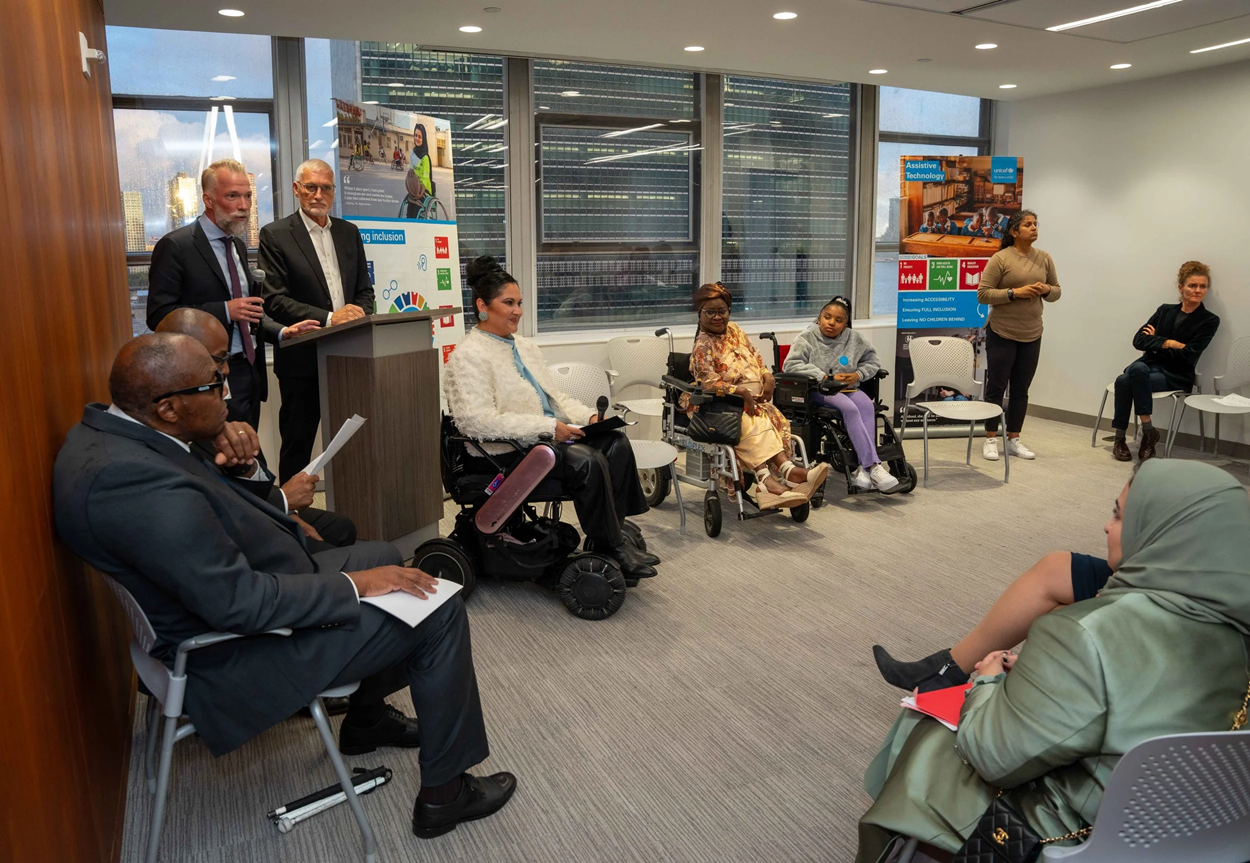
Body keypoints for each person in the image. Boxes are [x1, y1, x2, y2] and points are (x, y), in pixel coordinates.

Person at [53, 333, 517, 838]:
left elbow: (217, 509)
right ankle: (446, 795)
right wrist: (355, 586)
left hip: (234, 593)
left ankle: (366, 721)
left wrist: (234, 455)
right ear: (168, 407)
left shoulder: (124, 435)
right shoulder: (134, 480)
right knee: (436, 608)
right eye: (215, 385)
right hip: (229, 653)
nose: (227, 396)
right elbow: (241, 605)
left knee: (384, 553)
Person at [856, 460, 1250, 862]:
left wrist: (989, 682)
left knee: (931, 729)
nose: (1106, 527)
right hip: (1201, 834)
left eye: (1117, 515)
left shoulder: (1083, 633)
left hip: (1075, 836)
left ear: (1158, 535)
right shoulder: (1237, 629)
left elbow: (992, 756)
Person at [442, 256, 659, 583]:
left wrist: (585, 416)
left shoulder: (524, 347)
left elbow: (553, 400)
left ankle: (613, 535)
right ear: (482, 306)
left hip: (543, 440)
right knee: (586, 462)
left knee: (613, 441)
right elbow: (476, 422)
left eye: (520, 303)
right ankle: (613, 547)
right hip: (505, 453)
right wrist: (546, 429)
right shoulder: (468, 356)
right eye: (508, 303)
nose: (518, 310)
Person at [155, 308, 356, 553]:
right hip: (240, 537)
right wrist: (282, 502)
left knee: (343, 528)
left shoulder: (216, 401)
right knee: (376, 555)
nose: (226, 373)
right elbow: (212, 511)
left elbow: (244, 475)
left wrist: (246, 468)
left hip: (255, 507)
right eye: (219, 360)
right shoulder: (173, 425)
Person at [147, 159, 320, 430]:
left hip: (249, 373)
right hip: (209, 378)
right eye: (232, 196)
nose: (244, 205)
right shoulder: (176, 247)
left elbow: (247, 315)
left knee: (247, 455)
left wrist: (281, 332)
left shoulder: (237, 245)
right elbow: (159, 316)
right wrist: (225, 310)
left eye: (248, 195)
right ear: (208, 199)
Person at [259, 158, 375, 483]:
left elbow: (364, 291)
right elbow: (274, 300)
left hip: (351, 357)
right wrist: (329, 318)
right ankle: (293, 519)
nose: (318, 194)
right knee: (298, 446)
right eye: (311, 187)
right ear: (297, 190)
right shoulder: (276, 234)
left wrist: (358, 313)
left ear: (333, 192)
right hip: (301, 362)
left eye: (326, 188)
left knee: (354, 445)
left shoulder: (349, 232)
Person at [689, 282, 830, 509]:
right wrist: (742, 391)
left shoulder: (735, 330)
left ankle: (784, 473)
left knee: (762, 418)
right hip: (717, 406)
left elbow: (757, 359)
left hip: (749, 404)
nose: (717, 317)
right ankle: (771, 478)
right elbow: (707, 381)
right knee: (751, 420)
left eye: (722, 311)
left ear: (729, 311)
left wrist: (768, 376)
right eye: (710, 312)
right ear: (700, 313)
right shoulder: (702, 344)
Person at [783, 296, 897, 492]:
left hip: (848, 388)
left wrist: (857, 374)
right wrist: (823, 376)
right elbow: (790, 365)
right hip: (819, 390)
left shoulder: (855, 338)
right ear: (819, 319)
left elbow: (873, 362)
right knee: (850, 409)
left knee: (867, 406)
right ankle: (873, 466)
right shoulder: (806, 338)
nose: (831, 323)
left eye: (838, 320)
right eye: (827, 317)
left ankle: (864, 469)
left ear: (845, 324)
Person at [1110, 260, 1220, 462]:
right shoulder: (1165, 311)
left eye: (1202, 286)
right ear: (1181, 288)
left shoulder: (1209, 320)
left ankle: (1122, 438)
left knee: (1124, 379)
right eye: (1192, 285)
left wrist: (1155, 343)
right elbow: (1138, 340)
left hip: (1176, 375)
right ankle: (1147, 432)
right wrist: (1169, 343)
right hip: (1148, 369)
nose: (1198, 291)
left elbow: (1189, 354)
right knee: (1135, 371)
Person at [975, 209, 1061, 461]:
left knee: (1021, 388)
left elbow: (1057, 292)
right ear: (1014, 232)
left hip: (1032, 332)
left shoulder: (1044, 258)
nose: (1034, 228)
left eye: (1035, 224)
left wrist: (1045, 289)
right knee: (997, 387)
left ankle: (1014, 439)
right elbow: (983, 294)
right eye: (1027, 224)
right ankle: (991, 438)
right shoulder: (1000, 258)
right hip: (1002, 331)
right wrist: (1014, 293)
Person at [405, 123, 433, 218]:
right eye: (415, 135)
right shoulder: (413, 153)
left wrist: (421, 193)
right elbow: (412, 167)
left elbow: (426, 177)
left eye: (420, 137)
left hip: (424, 190)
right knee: (409, 210)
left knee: (416, 209)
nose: (417, 138)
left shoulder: (425, 157)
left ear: (423, 138)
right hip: (415, 187)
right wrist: (410, 171)